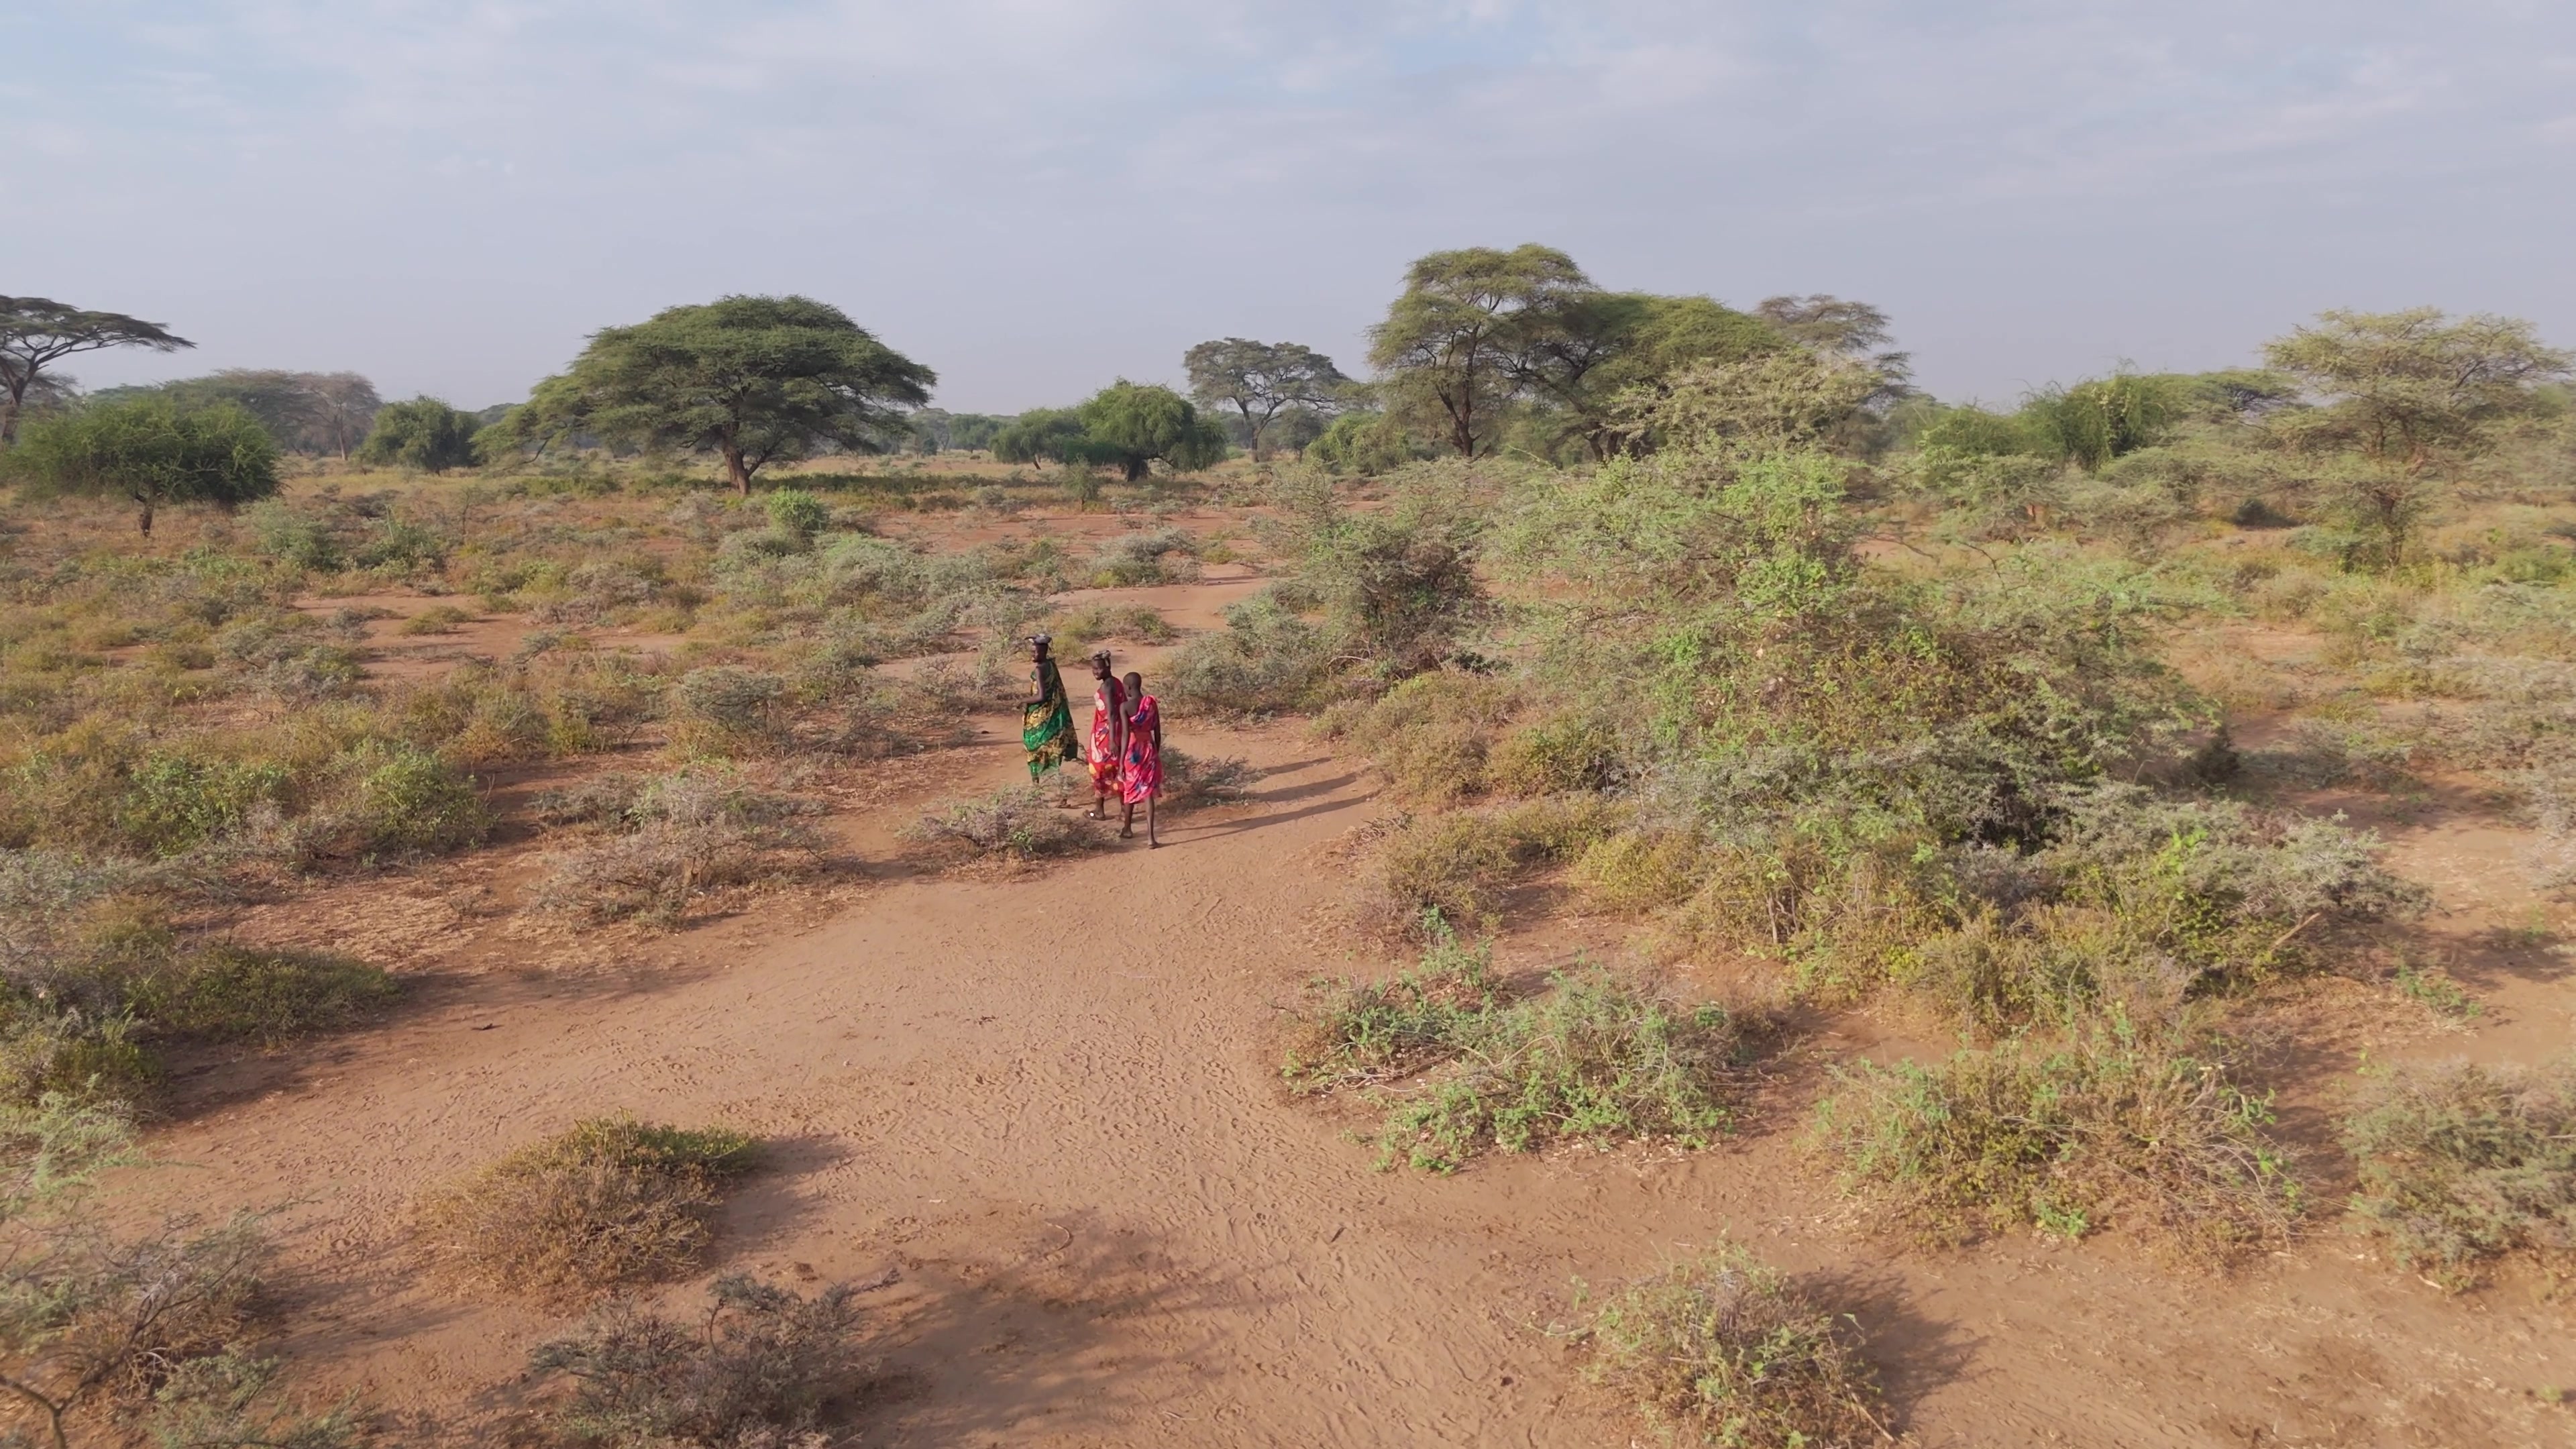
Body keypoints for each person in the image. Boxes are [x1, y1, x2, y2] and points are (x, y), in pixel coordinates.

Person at [1022, 635, 1075, 796]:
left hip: (1039, 718)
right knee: (1054, 754)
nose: (1033, 655)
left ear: (1044, 652)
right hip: (1053, 718)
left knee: (1033, 750)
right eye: (1032, 652)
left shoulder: (1039, 670)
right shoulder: (1051, 665)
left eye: (1036, 652)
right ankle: (1061, 794)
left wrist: (1023, 700)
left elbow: (1041, 696)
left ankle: (1036, 790)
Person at [1119, 669, 1163, 847]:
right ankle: (1151, 838)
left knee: (1130, 788)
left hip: (1133, 751)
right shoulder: (1151, 703)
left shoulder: (1125, 707)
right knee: (1148, 793)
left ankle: (1127, 828)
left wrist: (1122, 760)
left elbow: (1124, 736)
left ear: (1129, 687)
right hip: (1149, 748)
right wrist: (1156, 752)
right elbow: (1157, 730)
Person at [1085, 651, 1126, 819]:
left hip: (1107, 735)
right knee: (1117, 770)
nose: (1096, 672)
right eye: (1094, 669)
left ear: (1108, 667)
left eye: (1099, 669)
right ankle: (1124, 812)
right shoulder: (1116, 682)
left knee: (1099, 770)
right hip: (1114, 732)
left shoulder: (1107, 687)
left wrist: (1111, 740)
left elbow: (1111, 714)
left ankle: (1100, 811)